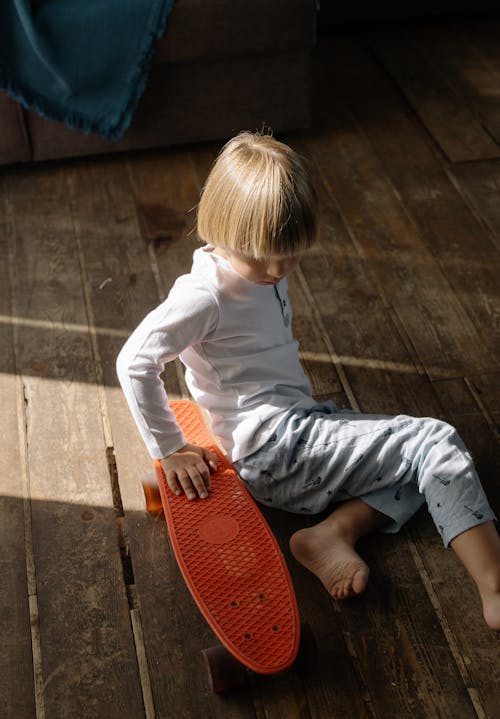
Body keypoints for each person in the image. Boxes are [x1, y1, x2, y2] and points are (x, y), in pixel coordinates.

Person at [117, 131, 500, 631]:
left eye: (292, 254)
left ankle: (332, 534)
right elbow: (135, 361)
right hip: (276, 449)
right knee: (436, 441)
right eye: (263, 256)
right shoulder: (203, 296)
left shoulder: (258, 263)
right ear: (225, 227)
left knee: (422, 473)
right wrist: (170, 448)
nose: (277, 269)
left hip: (296, 427)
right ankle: (495, 587)